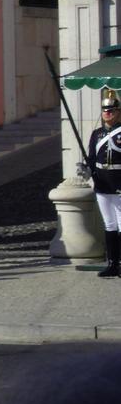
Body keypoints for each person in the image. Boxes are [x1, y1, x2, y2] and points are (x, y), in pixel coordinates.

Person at [86, 89, 121, 277]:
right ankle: (113, 263)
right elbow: (92, 158)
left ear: (118, 112)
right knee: (109, 225)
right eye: (105, 111)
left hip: (119, 183)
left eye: (112, 111)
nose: (108, 114)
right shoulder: (97, 134)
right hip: (102, 184)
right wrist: (86, 169)